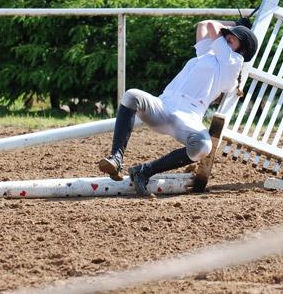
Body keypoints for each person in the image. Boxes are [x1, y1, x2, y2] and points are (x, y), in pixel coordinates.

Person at [98, 19, 258, 196]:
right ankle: (116, 158)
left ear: (241, 50)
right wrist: (234, 24)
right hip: (164, 104)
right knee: (132, 95)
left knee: (203, 147)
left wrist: (232, 25)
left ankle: (144, 171)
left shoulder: (232, 61)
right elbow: (204, 25)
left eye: (230, 40)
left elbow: (214, 27)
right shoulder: (211, 55)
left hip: (188, 115)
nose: (224, 39)